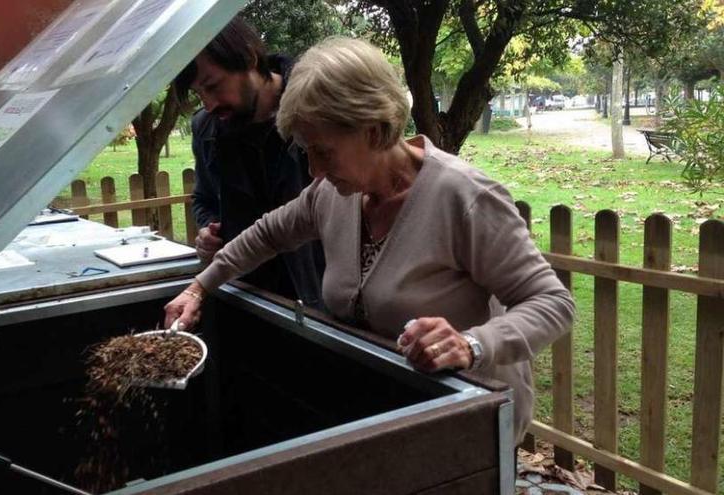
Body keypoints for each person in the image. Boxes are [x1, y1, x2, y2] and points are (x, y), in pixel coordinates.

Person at [165, 37, 574, 443]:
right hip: (390, 415)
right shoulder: (332, 196)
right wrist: (200, 287)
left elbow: (552, 303)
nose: (313, 171)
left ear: (375, 130)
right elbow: (266, 234)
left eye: (323, 152)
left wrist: (472, 344)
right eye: (306, 152)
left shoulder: (465, 198)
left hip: (469, 421)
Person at [173, 17, 324, 308]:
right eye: (198, 94)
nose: (209, 104)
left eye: (213, 86)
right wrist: (207, 230)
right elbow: (203, 199)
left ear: (249, 57)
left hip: (319, 307)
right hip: (245, 298)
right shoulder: (206, 129)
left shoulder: (314, 108)